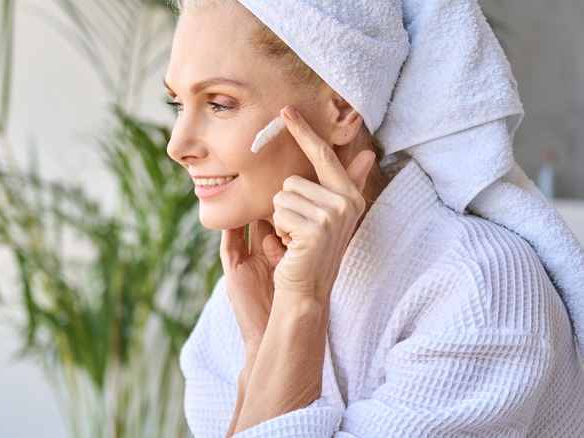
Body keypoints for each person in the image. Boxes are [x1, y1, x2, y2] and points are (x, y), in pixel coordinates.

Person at [164, 0, 584, 436]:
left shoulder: (482, 286)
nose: (178, 146)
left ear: (342, 109)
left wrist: (301, 307)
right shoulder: (242, 303)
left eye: (220, 104)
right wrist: (260, 348)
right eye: (176, 103)